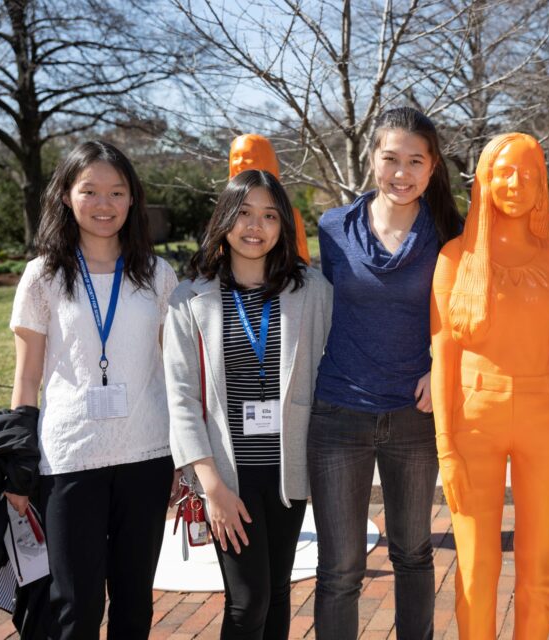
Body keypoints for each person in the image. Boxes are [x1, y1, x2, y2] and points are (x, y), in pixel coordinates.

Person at [7, 140, 179, 639]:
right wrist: (19, 462)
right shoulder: (43, 277)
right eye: (90, 191)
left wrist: (186, 455)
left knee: (134, 603)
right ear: (65, 196)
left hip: (146, 454)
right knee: (75, 607)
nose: (104, 205)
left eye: (117, 192)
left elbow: (174, 369)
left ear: (132, 200)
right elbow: (27, 375)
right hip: (68, 459)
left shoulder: (157, 275)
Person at [307, 106, 462, 639]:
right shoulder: (332, 228)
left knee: (414, 553)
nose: (402, 172)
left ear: (433, 165)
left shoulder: (449, 233)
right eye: (390, 158)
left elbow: (467, 315)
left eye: (415, 161)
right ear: (372, 158)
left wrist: (441, 364)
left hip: (414, 416)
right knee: (341, 568)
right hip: (338, 414)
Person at [163, 169, 332, 639]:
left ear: (283, 226)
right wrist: (210, 485)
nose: (255, 226)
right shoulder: (188, 298)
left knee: (277, 591)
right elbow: (180, 396)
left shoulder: (312, 291)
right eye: (243, 214)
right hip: (226, 474)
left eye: (269, 215)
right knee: (247, 600)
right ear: (224, 221)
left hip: (287, 471)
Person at [431, 132, 549, 638]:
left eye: (529, 174)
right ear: (485, 182)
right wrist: (445, 449)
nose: (516, 183)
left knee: (540, 569)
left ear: (543, 185)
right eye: (504, 172)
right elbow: (443, 355)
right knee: (475, 567)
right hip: (474, 424)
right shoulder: (454, 257)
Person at [228, 133, 311, 263]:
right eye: (236, 157)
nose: (239, 163)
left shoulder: (289, 214)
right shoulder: (225, 211)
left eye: (247, 157)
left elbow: (302, 265)